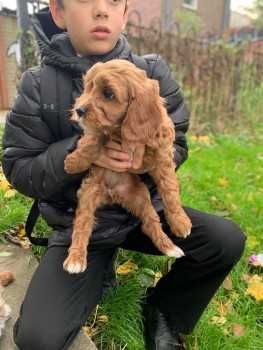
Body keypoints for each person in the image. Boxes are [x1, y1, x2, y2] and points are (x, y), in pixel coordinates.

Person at [2, 1, 246, 349]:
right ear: (58, 12)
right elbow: (18, 168)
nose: (101, 10)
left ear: (125, 13)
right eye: (85, 0)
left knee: (226, 240)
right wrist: (81, 152)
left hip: (143, 212)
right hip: (81, 222)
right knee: (37, 339)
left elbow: (177, 142)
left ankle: (165, 308)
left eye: (113, 0)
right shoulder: (37, 85)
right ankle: (97, 269)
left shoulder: (152, 72)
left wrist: (144, 161)